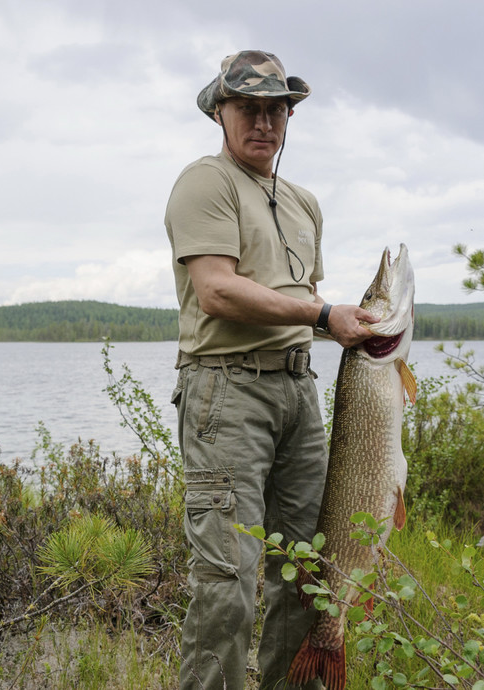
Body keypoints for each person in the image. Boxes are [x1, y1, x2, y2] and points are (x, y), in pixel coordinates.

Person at [164, 50, 376, 690]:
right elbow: (218, 292)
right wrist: (323, 314)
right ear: (220, 113)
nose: (263, 121)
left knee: (307, 573)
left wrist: (335, 322)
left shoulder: (305, 203)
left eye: (275, 108)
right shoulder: (206, 182)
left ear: (289, 116)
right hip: (226, 393)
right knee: (228, 581)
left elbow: (301, 294)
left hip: (298, 390)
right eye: (248, 108)